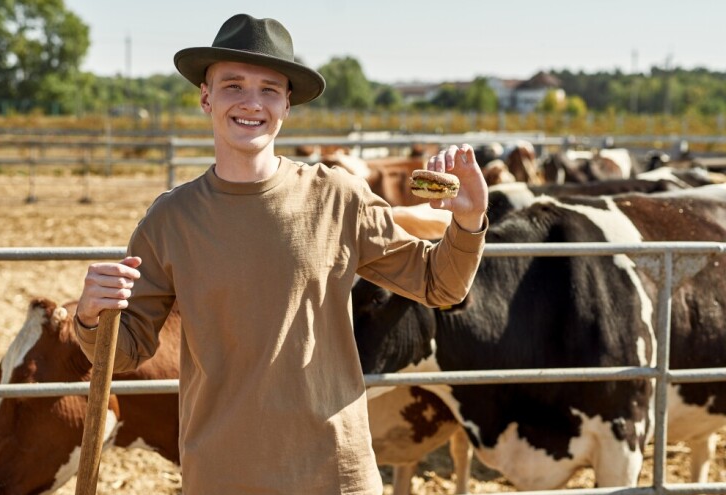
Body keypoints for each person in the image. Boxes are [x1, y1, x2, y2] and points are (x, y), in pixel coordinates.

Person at [74, 13, 488, 495]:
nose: (252, 103)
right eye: (233, 86)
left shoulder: (338, 198)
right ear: (206, 97)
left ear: (287, 104)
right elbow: (126, 352)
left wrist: (469, 220)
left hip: (337, 476)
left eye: (270, 89)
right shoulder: (170, 221)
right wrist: (90, 315)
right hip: (222, 478)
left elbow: (441, 284)